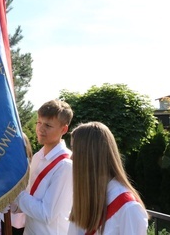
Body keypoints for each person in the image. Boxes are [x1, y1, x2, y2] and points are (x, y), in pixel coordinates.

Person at [68, 122, 148, 235]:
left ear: (90, 156)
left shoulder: (128, 208)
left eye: (75, 150)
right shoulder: (84, 198)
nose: (71, 158)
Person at [10, 99, 74, 234]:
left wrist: (15, 193)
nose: (40, 129)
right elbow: (29, 198)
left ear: (64, 129)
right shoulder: (38, 157)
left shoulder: (66, 165)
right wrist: (11, 203)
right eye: (39, 122)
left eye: (48, 126)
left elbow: (46, 214)